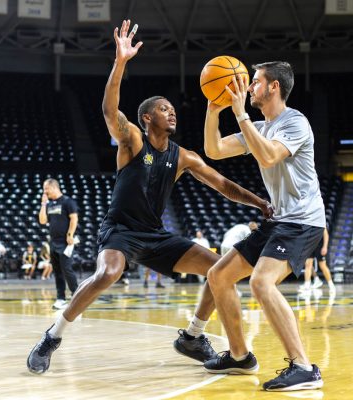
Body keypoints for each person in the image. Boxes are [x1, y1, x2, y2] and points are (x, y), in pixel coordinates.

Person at [27, 20, 272, 375]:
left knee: (219, 269)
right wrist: (121, 61)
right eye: (163, 109)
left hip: (155, 234)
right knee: (109, 272)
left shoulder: (183, 156)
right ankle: (53, 335)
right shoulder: (132, 141)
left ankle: (192, 336)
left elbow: (222, 184)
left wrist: (260, 203)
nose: (171, 112)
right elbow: (111, 113)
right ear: (146, 118)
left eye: (173, 109)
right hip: (121, 230)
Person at [202, 61, 326, 391]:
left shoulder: (295, 121)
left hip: (303, 222)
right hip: (279, 220)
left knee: (261, 282)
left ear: (273, 87)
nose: (248, 87)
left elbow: (270, 156)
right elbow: (213, 150)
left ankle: (303, 367)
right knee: (218, 275)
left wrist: (241, 115)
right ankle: (240, 356)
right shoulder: (259, 126)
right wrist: (214, 110)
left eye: (254, 81)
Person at [39, 179, 79, 309]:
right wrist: (43, 204)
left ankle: (77, 296)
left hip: (65, 242)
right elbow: (43, 221)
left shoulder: (68, 202)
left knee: (67, 269)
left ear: (53, 187)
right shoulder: (49, 204)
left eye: (46, 189)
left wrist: (70, 235)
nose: (44, 191)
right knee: (57, 271)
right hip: (53, 243)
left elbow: (74, 218)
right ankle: (61, 298)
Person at [301, 227, 335, 293]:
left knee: (322, 266)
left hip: (320, 245)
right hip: (310, 245)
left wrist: (325, 246)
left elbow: (326, 235)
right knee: (308, 265)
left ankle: (331, 285)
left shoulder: (320, 220)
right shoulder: (308, 221)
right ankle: (307, 285)